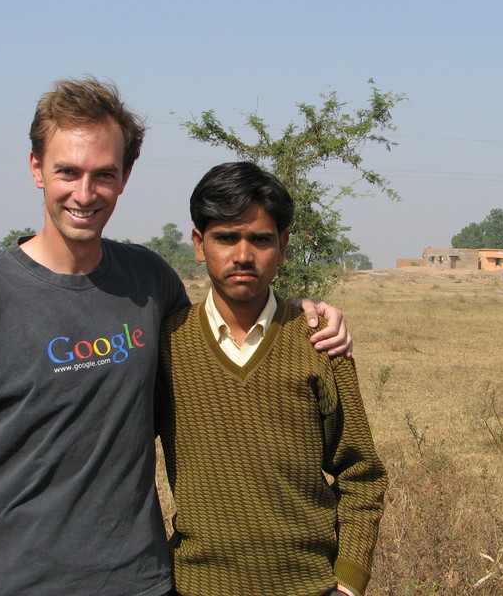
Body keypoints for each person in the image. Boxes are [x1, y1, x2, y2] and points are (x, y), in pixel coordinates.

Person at [0, 78, 351, 596]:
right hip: (8, 580)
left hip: (140, 580)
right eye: (67, 171)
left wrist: (307, 314)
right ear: (36, 168)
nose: (84, 194)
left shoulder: (148, 282)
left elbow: (223, 343)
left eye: (103, 175)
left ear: (125, 176)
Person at [156, 162, 387, 596]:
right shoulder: (167, 345)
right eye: (225, 237)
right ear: (198, 244)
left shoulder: (319, 341)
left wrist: (350, 579)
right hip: (194, 585)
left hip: (309, 586)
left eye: (260, 239)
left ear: (282, 247)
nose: (243, 255)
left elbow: (362, 472)